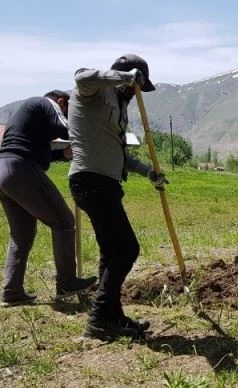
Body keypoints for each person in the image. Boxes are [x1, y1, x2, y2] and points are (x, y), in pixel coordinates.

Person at [67, 54, 167, 340]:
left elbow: (119, 154)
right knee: (127, 249)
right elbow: (81, 76)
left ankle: (112, 317)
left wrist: (149, 172)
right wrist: (125, 77)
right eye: (136, 88)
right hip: (90, 181)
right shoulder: (93, 92)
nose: (135, 95)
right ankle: (98, 318)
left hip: (106, 183)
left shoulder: (119, 108)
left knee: (111, 252)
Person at [0, 90, 98, 307]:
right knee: (65, 222)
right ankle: (66, 282)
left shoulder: (29, 114)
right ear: (61, 102)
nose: (66, 113)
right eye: (67, 109)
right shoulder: (46, 104)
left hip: (2, 171)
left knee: (22, 234)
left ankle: (12, 292)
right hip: (21, 169)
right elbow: (66, 127)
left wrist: (63, 154)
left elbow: (39, 151)